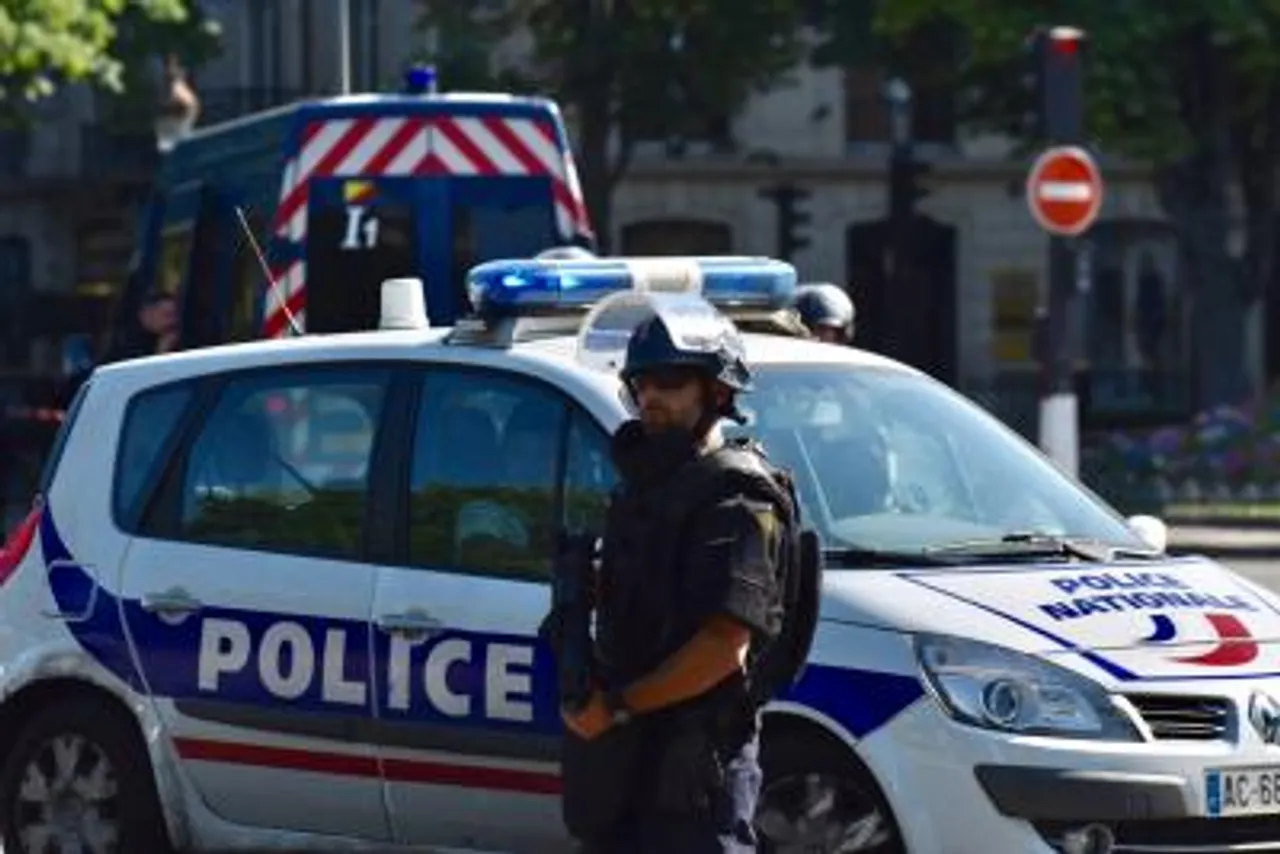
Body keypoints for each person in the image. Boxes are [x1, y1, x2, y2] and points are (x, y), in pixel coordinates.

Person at [560, 297, 801, 853]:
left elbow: (724, 648)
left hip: (694, 768)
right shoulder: (647, 488)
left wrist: (618, 707)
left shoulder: (736, 497)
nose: (649, 399)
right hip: (628, 757)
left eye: (668, 382)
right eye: (640, 384)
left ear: (717, 393)